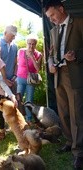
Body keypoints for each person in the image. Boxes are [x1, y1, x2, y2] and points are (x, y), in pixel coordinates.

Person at [44, 0, 83, 169]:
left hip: (74, 75)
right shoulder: (53, 31)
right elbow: (50, 53)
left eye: (52, 15)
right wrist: (50, 63)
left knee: (77, 115)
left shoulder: (80, 23)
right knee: (64, 113)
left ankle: (79, 152)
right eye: (48, 17)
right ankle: (69, 141)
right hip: (57, 76)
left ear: (61, 9)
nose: (51, 19)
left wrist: (76, 55)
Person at [16, 34, 42, 121]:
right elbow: (17, 63)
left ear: (36, 44)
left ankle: (29, 119)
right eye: (29, 43)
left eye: (33, 44)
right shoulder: (21, 51)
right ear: (26, 43)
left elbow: (38, 69)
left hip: (31, 81)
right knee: (18, 99)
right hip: (20, 79)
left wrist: (32, 57)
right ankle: (18, 118)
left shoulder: (38, 54)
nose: (31, 45)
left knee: (29, 101)